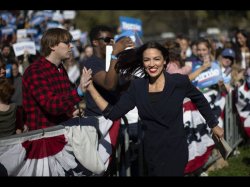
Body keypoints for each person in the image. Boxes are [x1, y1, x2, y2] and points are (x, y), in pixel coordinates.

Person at [81, 41, 224, 176]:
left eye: (156, 59)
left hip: (176, 149)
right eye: (147, 60)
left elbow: (200, 99)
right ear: (142, 63)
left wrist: (213, 124)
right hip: (151, 151)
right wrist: (91, 88)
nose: (152, 64)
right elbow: (112, 114)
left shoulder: (178, 82)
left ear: (164, 61)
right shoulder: (137, 87)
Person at [22, 28, 86, 131]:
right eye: (66, 43)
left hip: (61, 132)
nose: (71, 46)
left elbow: (62, 98)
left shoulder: (60, 68)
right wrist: (78, 92)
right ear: (52, 46)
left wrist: (71, 112)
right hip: (43, 138)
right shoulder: (35, 71)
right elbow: (51, 105)